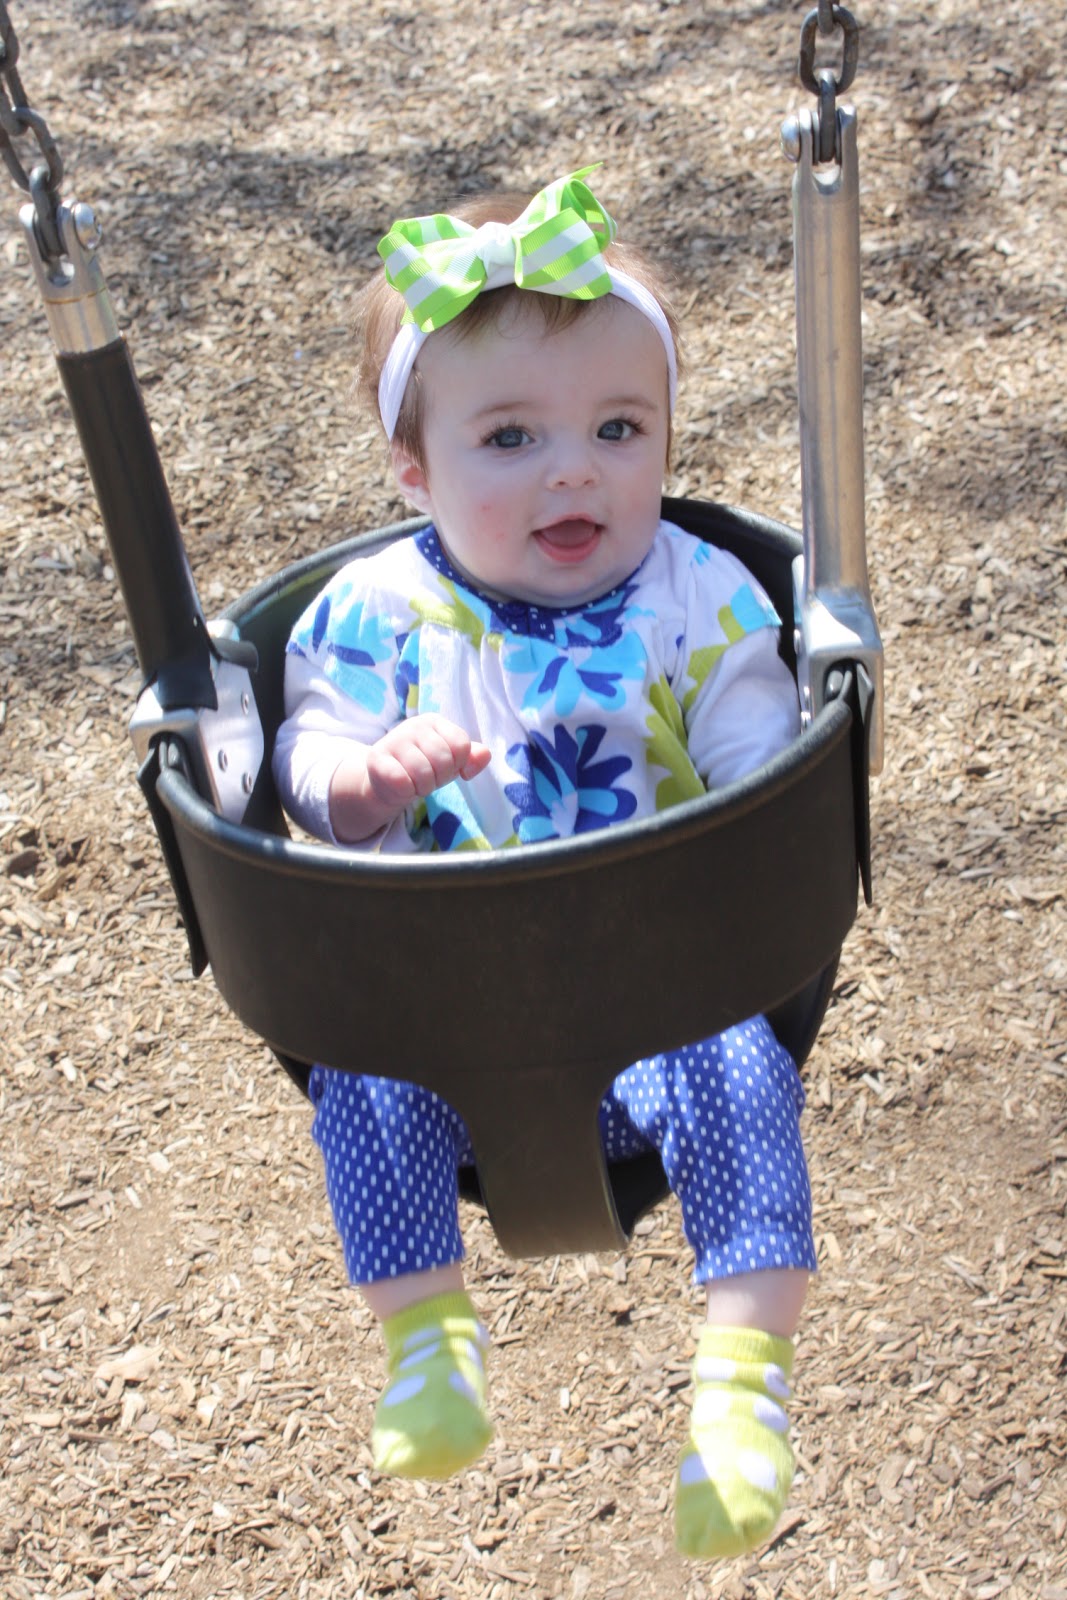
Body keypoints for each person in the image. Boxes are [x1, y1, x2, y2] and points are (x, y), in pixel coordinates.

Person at [272, 168, 816, 1561]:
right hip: (444, 1033)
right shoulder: (373, 613)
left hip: (668, 1008)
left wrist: (759, 800)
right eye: (510, 436)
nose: (575, 469)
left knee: (744, 1068)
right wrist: (361, 783)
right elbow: (306, 750)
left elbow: (758, 744)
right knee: (359, 1078)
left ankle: (743, 1392)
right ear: (414, 470)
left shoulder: (698, 593)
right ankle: (426, 1346)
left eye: (619, 428)